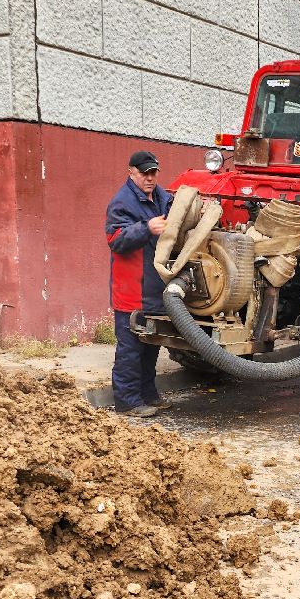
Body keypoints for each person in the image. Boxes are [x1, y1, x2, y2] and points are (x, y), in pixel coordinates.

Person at [105, 150, 173, 417]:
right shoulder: (121, 203)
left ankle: (148, 394)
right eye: (144, 172)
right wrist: (147, 228)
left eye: (153, 172)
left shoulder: (161, 197)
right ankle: (127, 402)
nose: (149, 177)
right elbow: (115, 240)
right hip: (131, 290)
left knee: (150, 346)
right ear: (130, 172)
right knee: (130, 350)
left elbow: (173, 209)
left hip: (155, 289)